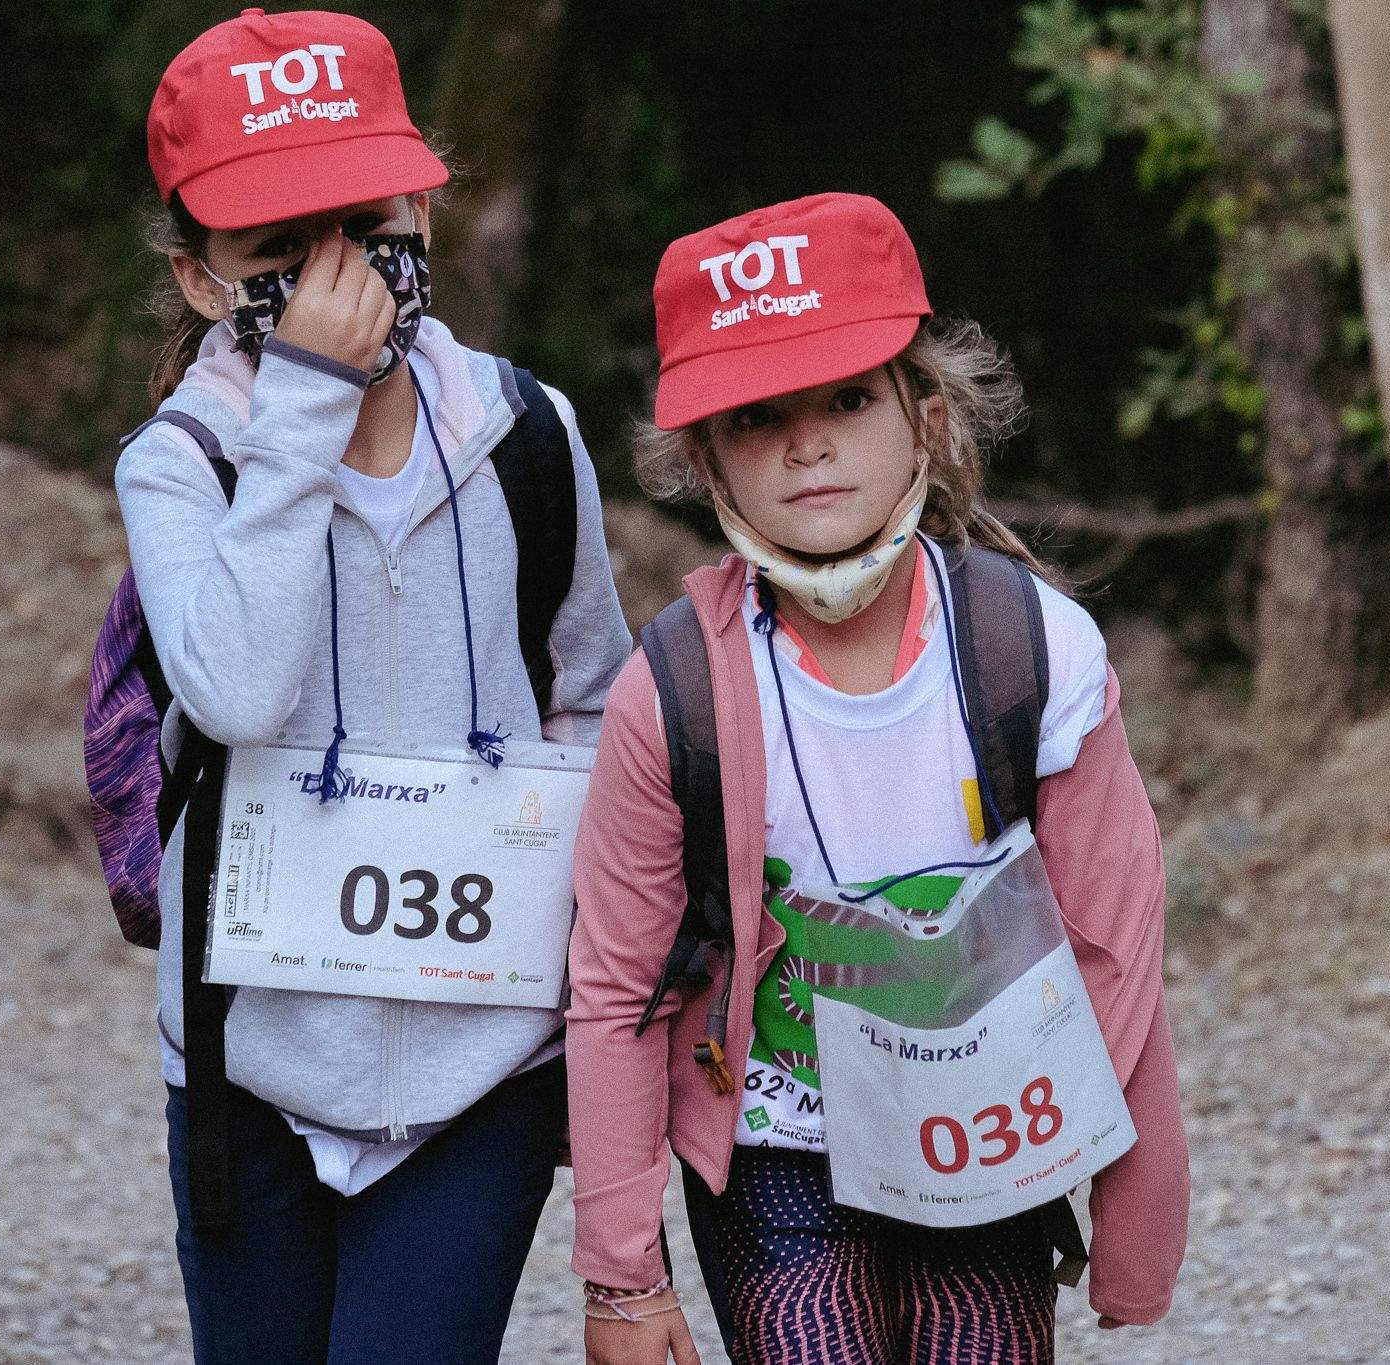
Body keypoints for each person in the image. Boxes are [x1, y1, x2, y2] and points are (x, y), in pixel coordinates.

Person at [564, 193, 1188, 1364]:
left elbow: (1114, 943)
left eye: (849, 399)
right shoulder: (673, 688)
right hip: (772, 1138)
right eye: (757, 416)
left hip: (987, 1131)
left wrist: (1133, 1218)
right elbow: (613, 985)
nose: (808, 444)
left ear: (927, 418)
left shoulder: (1033, 649)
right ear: (703, 459)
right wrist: (619, 1280)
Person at [115, 10, 630, 1362]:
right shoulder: (184, 464)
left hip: (485, 1066)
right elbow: (230, 689)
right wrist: (299, 410)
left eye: (368, 225)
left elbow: (593, 693)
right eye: (282, 253)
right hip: (250, 1065)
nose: (342, 279)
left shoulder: (529, 430)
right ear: (201, 277)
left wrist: (584, 972)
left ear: (425, 203)